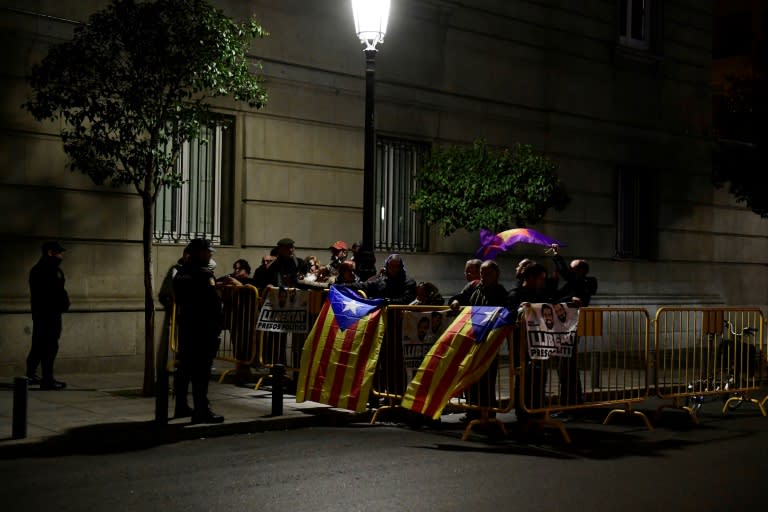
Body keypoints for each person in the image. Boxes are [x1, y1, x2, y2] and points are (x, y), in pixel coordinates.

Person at [172, 238, 225, 424]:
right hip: (204, 328)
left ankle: (180, 405)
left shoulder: (181, 273)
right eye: (208, 251)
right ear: (199, 253)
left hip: (187, 326)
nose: (210, 255)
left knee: (185, 367)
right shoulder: (204, 274)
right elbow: (213, 302)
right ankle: (201, 410)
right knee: (201, 371)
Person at [449, 260, 507, 420]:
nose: (484, 276)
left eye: (487, 273)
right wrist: (455, 301)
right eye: (482, 273)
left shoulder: (500, 292)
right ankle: (473, 411)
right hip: (474, 339)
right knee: (472, 377)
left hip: (489, 341)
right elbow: (460, 297)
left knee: (487, 378)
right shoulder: (475, 288)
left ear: (496, 274)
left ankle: (488, 413)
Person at [507, 261, 550, 423]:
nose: (542, 282)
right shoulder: (515, 294)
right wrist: (520, 310)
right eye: (540, 279)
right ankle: (523, 411)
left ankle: (537, 409)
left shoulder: (541, 294)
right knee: (523, 377)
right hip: (521, 345)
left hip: (539, 343)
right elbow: (510, 315)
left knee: (540, 375)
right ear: (530, 277)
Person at [27, 241, 70, 390]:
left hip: (44, 314)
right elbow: (54, 293)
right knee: (49, 346)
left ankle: (31, 374)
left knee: (39, 345)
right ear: (50, 253)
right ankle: (47, 379)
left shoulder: (43, 269)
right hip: (49, 314)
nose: (62, 256)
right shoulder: (47, 271)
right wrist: (62, 304)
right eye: (59, 253)